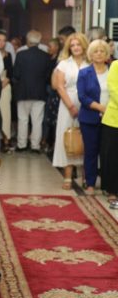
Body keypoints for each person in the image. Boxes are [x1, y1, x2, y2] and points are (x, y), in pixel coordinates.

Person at [52, 33, 89, 189]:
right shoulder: (64, 64)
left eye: (78, 44)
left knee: (86, 138)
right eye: (72, 45)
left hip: (88, 103)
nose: (75, 48)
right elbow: (60, 87)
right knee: (68, 137)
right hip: (68, 102)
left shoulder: (90, 62)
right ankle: (67, 176)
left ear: (84, 45)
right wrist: (71, 107)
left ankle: (86, 177)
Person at [77, 40, 110, 195]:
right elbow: (82, 97)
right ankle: (90, 183)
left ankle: (107, 185)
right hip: (89, 118)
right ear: (90, 54)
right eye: (96, 51)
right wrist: (100, 108)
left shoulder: (113, 71)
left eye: (102, 51)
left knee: (108, 153)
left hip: (110, 119)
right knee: (91, 152)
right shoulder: (84, 73)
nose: (99, 54)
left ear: (107, 54)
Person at [12, 30, 52, 152]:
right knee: (37, 121)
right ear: (39, 41)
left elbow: (16, 74)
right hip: (40, 93)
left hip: (23, 92)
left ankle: (22, 145)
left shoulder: (20, 55)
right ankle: (35, 146)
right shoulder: (46, 56)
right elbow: (48, 76)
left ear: (28, 41)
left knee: (22, 120)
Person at [0, 29, 14, 150]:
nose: (1, 43)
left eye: (4, 40)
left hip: (5, 86)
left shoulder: (8, 55)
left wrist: (3, 84)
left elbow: (11, 73)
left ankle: (6, 139)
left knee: (6, 113)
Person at [101, 60, 118, 208]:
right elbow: (113, 89)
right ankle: (112, 190)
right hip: (114, 120)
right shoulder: (115, 65)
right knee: (113, 157)